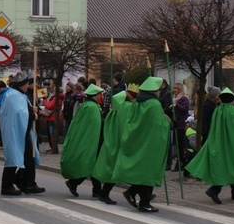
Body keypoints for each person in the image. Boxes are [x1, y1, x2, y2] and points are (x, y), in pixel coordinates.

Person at [186, 87, 234, 204]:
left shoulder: (218, 110)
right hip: (232, 143)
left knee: (227, 166)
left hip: (219, 141)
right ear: (232, 100)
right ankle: (215, 190)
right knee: (233, 166)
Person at [113, 76, 169, 212]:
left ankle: (134, 193)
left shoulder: (137, 102)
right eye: (158, 90)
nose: (160, 92)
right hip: (150, 143)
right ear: (153, 91)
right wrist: (169, 124)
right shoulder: (154, 104)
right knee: (148, 171)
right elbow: (158, 125)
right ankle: (144, 202)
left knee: (143, 170)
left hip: (140, 140)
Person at [0, 71, 45, 196]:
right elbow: (19, 113)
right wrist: (33, 114)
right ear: (21, 85)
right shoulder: (14, 96)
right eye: (26, 84)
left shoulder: (17, 94)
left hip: (22, 131)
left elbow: (22, 110)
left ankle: (26, 183)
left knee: (28, 158)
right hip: (16, 132)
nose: (27, 86)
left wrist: (32, 110)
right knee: (13, 157)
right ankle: (7, 186)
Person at [61, 84, 104, 198]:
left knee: (92, 165)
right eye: (99, 94)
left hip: (91, 139)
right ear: (94, 96)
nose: (101, 96)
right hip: (93, 140)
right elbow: (95, 125)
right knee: (91, 164)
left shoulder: (87, 105)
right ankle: (74, 183)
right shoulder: (92, 107)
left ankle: (95, 189)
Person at [169, 83, 190, 172]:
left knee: (180, 145)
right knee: (178, 145)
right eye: (173, 88)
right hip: (177, 123)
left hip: (182, 124)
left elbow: (185, 108)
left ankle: (180, 164)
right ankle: (180, 164)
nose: (173, 90)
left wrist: (176, 105)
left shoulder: (183, 98)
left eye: (176, 88)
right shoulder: (175, 99)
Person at [41, 80, 64, 155]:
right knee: (51, 134)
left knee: (52, 134)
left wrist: (44, 100)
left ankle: (53, 148)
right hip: (52, 118)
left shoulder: (56, 98)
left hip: (52, 118)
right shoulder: (57, 98)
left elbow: (49, 106)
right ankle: (52, 148)